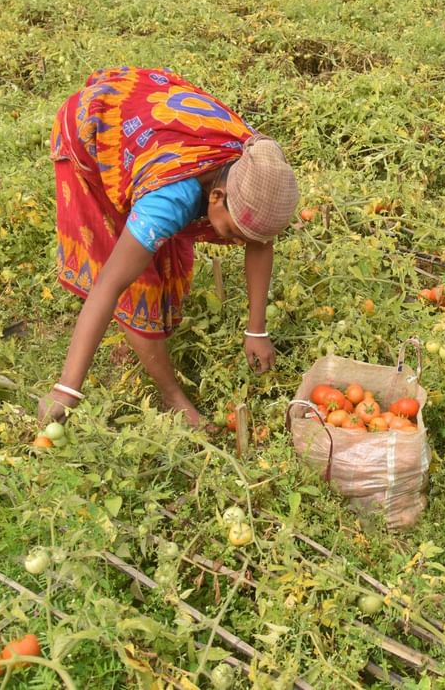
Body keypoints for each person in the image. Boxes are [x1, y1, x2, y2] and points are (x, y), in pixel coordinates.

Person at [37, 66, 299, 429]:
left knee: (149, 249)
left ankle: (145, 343)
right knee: (135, 282)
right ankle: (172, 398)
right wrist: (67, 389)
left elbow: (259, 240)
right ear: (217, 196)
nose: (238, 242)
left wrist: (257, 329)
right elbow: (110, 286)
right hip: (93, 135)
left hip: (146, 123)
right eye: (235, 232)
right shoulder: (169, 201)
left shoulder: (257, 163)